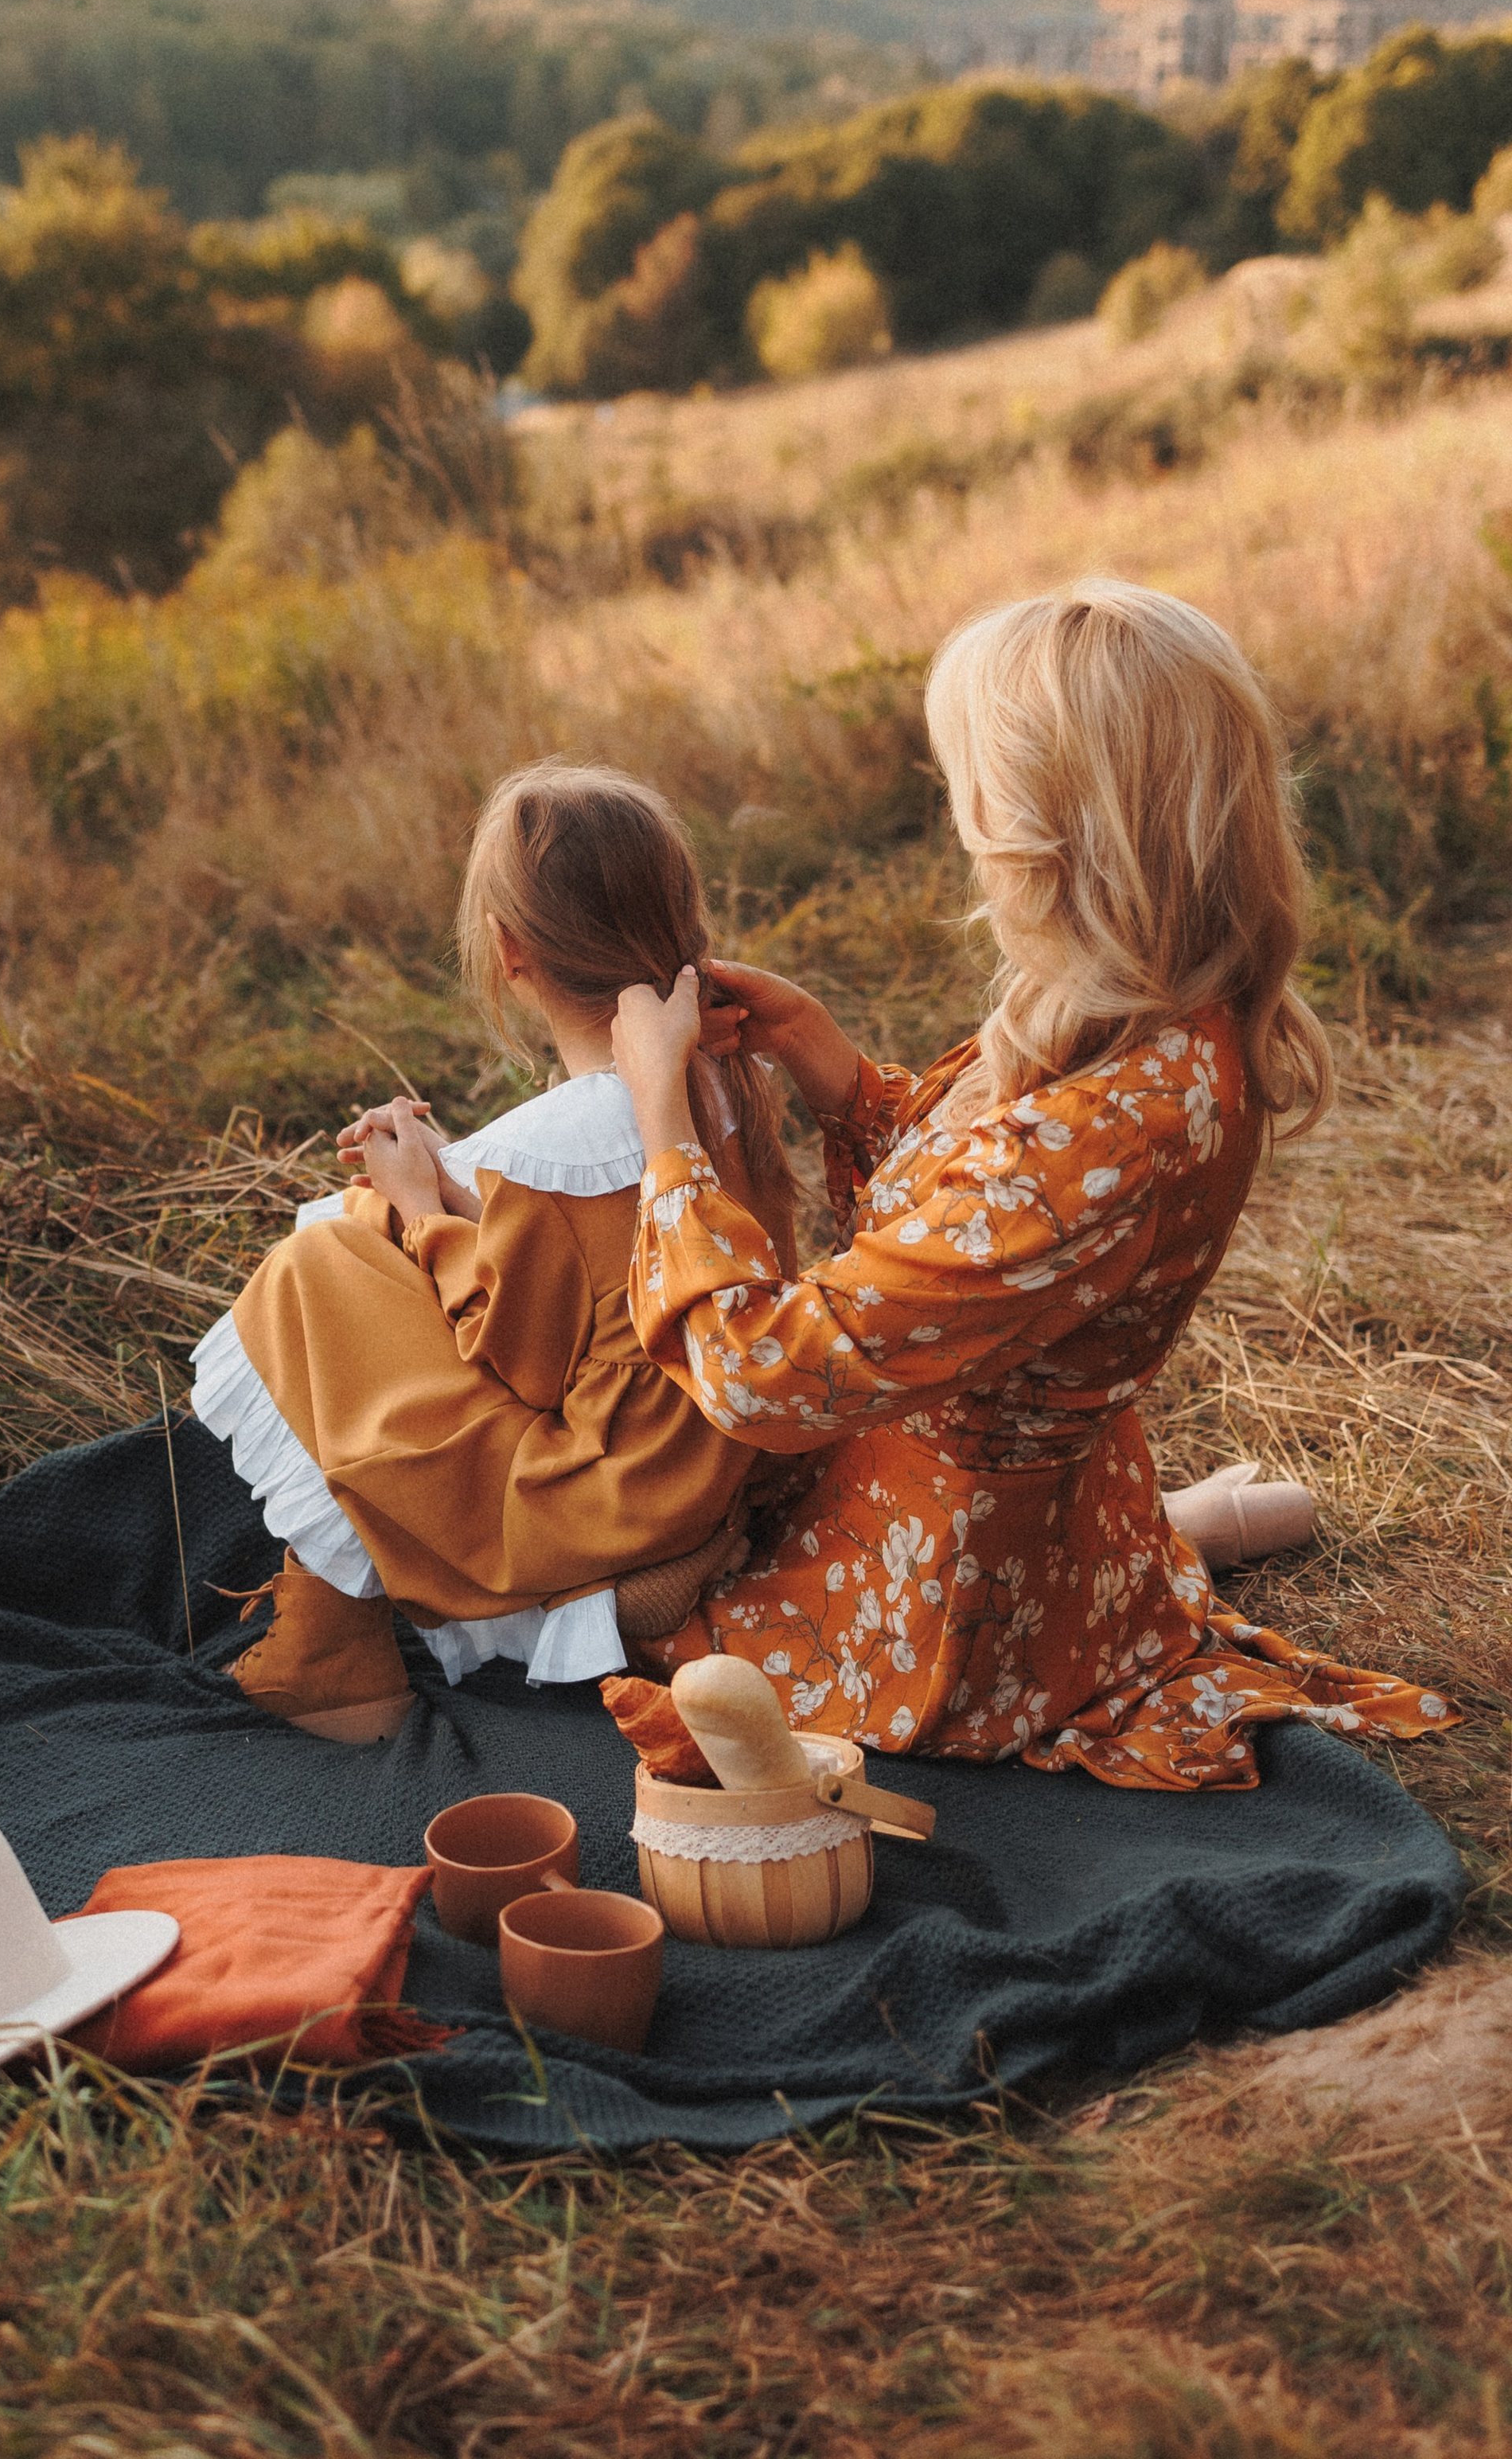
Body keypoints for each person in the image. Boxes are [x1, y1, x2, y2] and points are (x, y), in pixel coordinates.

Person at [609, 580, 1453, 1789]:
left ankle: (1172, 1553)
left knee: (596, 1615)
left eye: (967, 792)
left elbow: (767, 1375)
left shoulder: (1114, 1127)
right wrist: (831, 1068)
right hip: (1046, 1525)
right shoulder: (1160, 1018)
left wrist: (662, 1125)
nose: (960, 827)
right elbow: (971, 1235)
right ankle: (1188, 1534)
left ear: (1042, 831)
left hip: (938, 1599)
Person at [191, 762, 797, 1739]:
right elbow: (600, 1281)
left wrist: (414, 1208)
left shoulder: (549, 1149)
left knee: (316, 1266)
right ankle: (330, 1630)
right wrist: (448, 1186)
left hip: (611, 1497)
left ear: (509, 951)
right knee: (361, 1234)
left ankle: (332, 1649)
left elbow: (518, 1356)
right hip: (700, 1462)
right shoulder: (717, 1086)